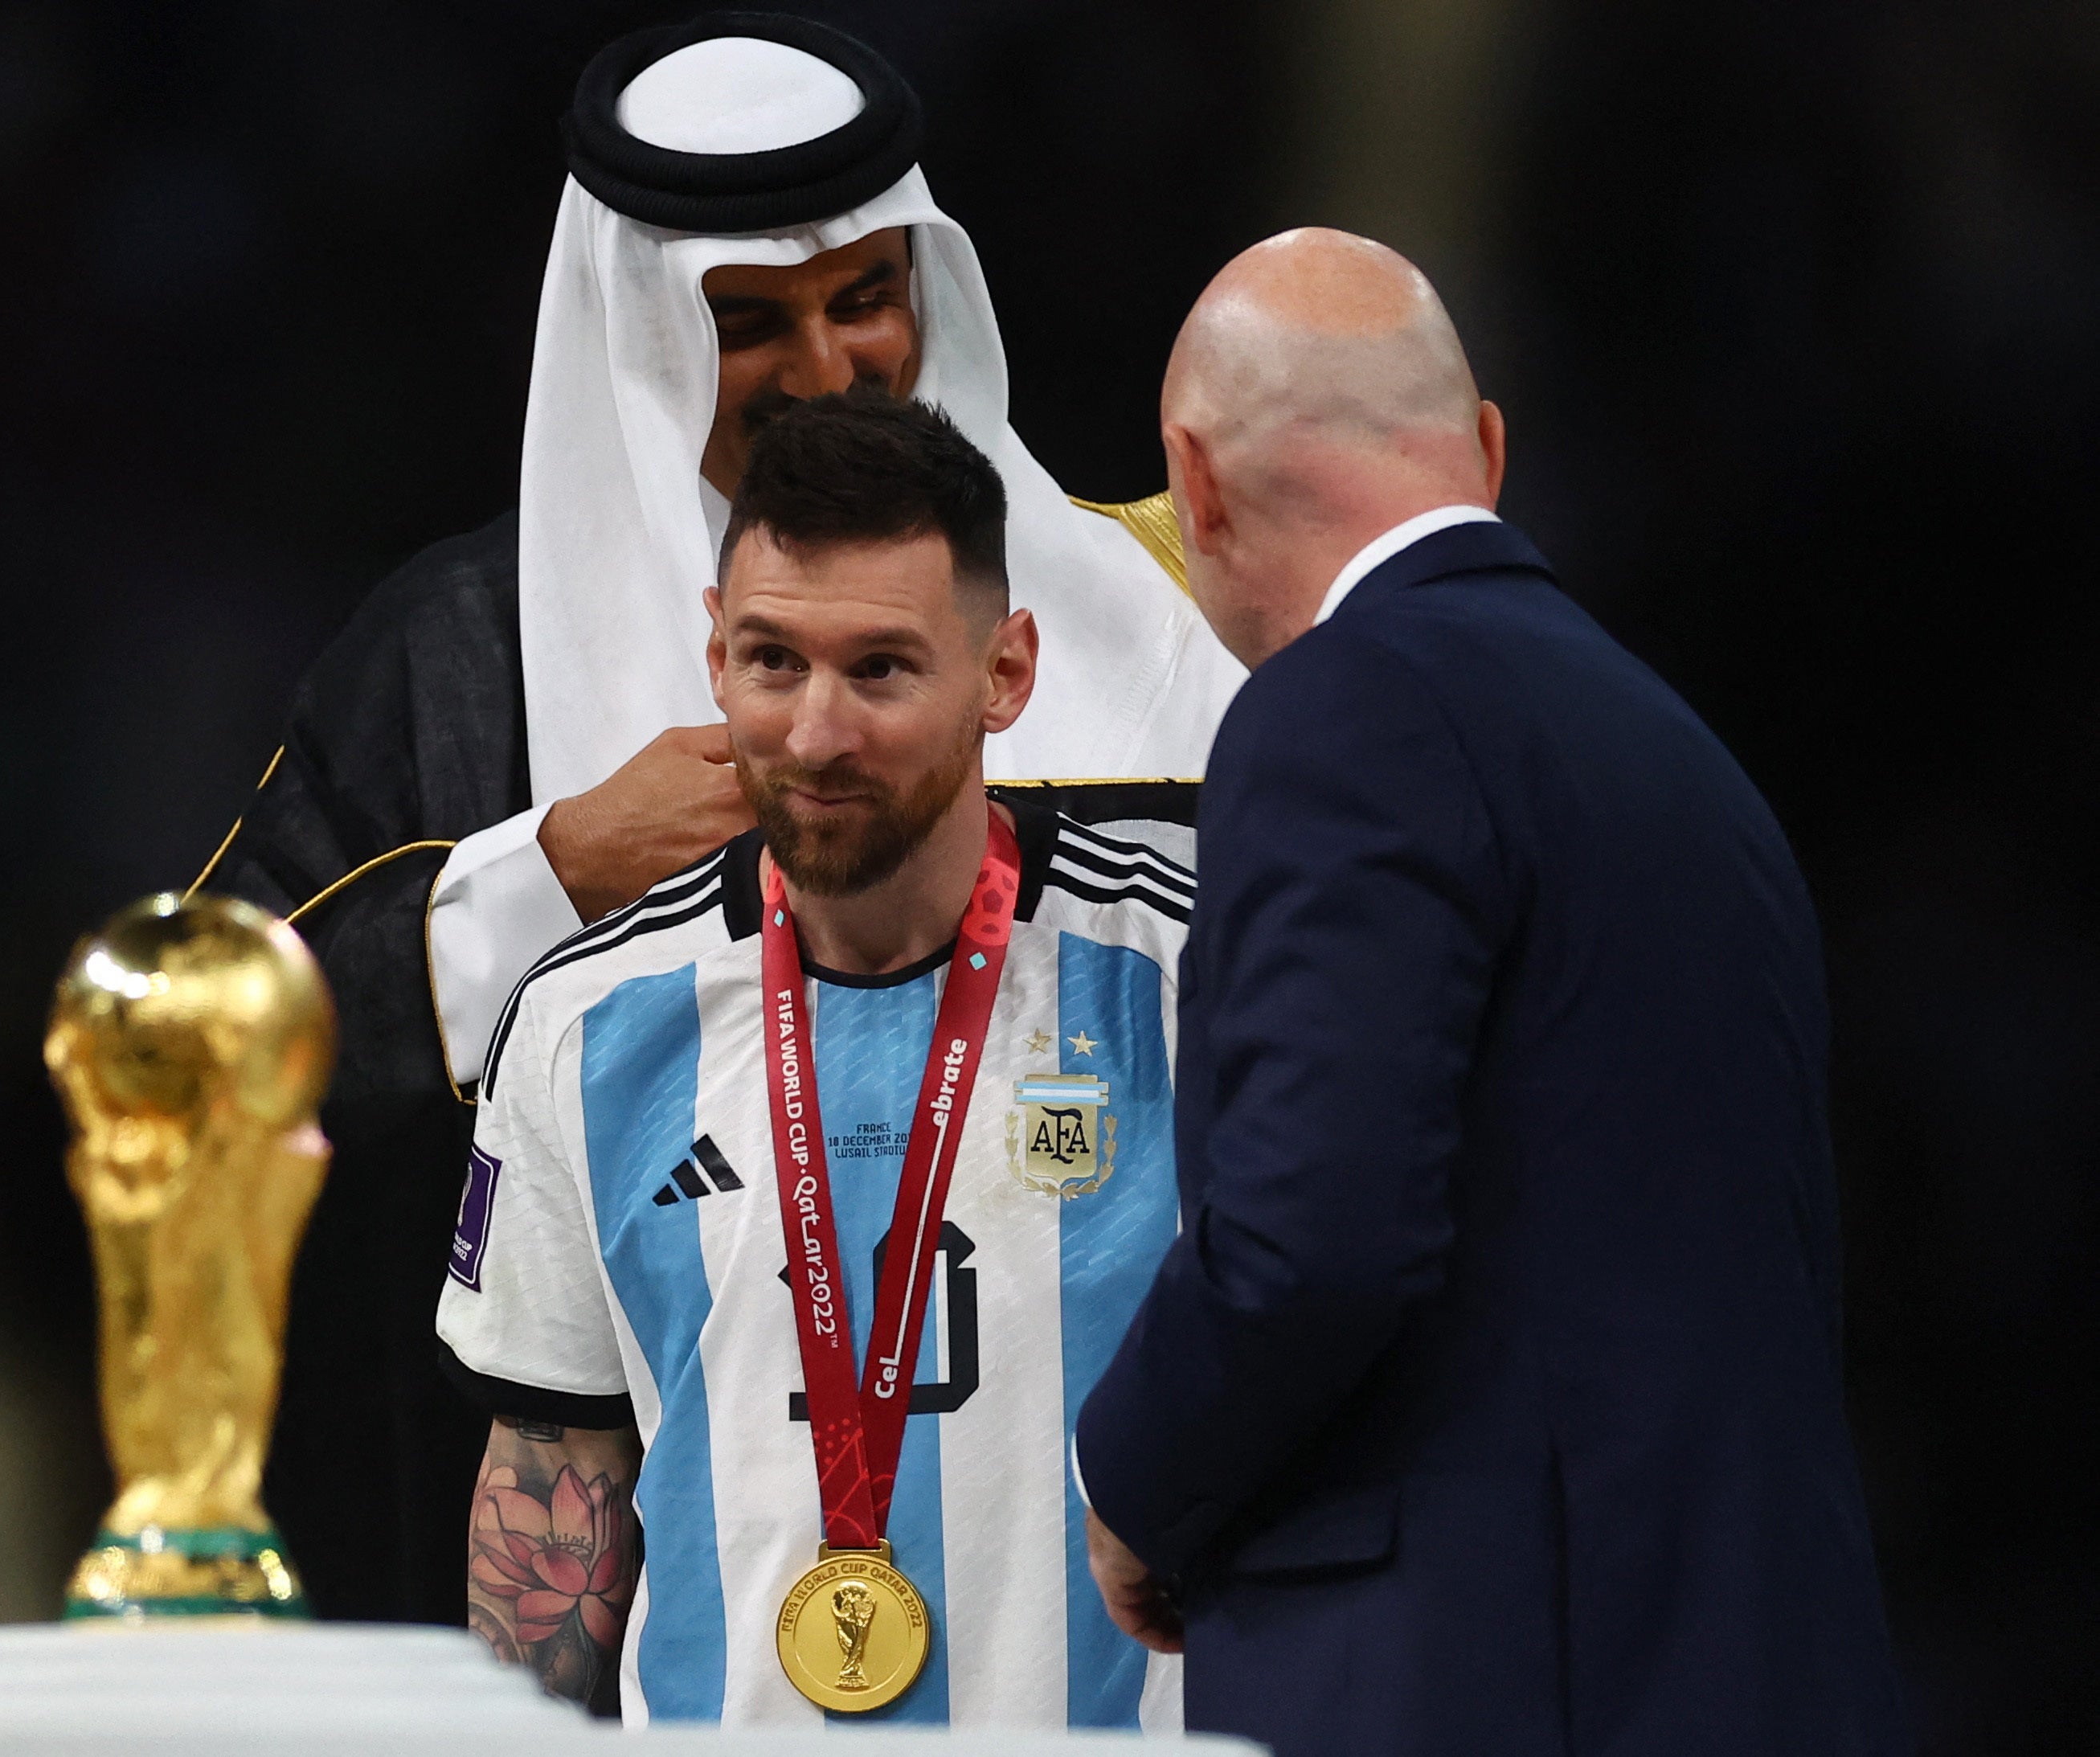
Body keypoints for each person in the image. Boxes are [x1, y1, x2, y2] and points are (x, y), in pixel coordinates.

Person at [192, 14, 1242, 1620]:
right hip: (637, 1620)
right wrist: (540, 882)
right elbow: (179, 1070)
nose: (830, 370)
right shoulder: (462, 662)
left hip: (1120, 1606)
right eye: (749, 323)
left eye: (865, 299)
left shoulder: (1160, 612)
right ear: (638, 336)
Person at [1074, 229, 1911, 1755]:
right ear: (1487, 452)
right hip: (1735, 1658)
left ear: (1191, 482)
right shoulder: (1674, 750)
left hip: (1483, 1671)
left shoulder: (1344, 710)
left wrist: (1133, 1479)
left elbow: (1309, 1239)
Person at [437, 391, 1195, 1729]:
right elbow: (549, 1483)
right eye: (773, 660)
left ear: (1006, 672)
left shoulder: (1191, 980)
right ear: (714, 651)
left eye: (882, 669)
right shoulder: (580, 1019)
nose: (816, 731)